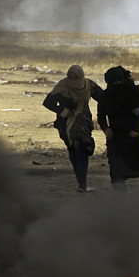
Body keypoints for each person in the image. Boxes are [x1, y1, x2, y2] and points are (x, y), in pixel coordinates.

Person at [42, 64, 103, 192]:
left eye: (76, 77)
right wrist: (64, 111)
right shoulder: (62, 86)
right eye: (71, 77)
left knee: (81, 147)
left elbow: (103, 98)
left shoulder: (89, 85)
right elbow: (48, 102)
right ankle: (81, 181)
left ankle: (82, 183)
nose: (73, 80)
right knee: (73, 151)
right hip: (65, 124)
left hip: (83, 123)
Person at [97, 65, 139, 192]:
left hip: (133, 134)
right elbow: (101, 115)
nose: (117, 84)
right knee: (115, 165)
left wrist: (136, 129)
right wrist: (105, 128)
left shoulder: (134, 93)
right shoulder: (105, 96)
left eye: (119, 81)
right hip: (115, 135)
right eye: (114, 82)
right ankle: (121, 196)